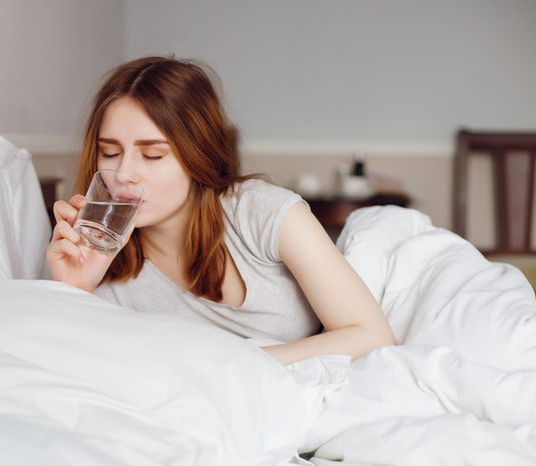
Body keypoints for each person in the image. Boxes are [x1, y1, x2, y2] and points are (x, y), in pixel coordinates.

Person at [46, 56, 396, 365]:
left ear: (198, 155)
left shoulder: (262, 212)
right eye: (109, 153)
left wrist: (229, 366)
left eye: (152, 154)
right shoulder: (99, 264)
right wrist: (74, 291)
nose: (123, 173)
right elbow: (63, 370)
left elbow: (371, 336)